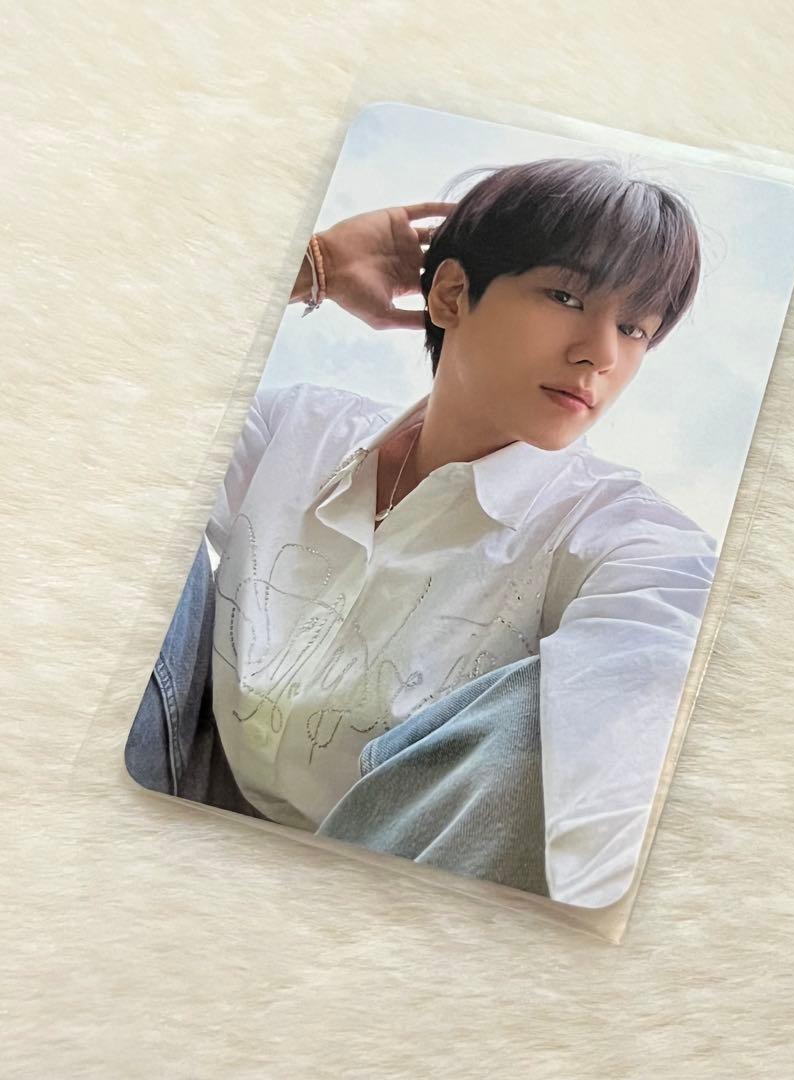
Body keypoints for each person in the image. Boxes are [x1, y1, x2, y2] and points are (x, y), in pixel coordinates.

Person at [136, 158, 719, 910]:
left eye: (635, 328)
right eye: (567, 297)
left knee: (552, 712)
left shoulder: (622, 538)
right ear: (451, 294)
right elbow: (91, 401)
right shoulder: (295, 426)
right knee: (145, 490)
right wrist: (310, 267)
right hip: (167, 786)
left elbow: (653, 659)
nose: (601, 355)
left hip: (372, 894)